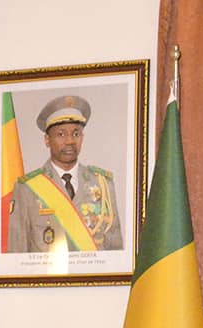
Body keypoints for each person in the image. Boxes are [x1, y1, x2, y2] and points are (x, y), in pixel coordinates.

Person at [7, 94, 123, 253]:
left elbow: (116, 253)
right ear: (47, 140)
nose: (70, 141)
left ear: (82, 138)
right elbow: (16, 254)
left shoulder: (103, 184)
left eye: (76, 133)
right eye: (61, 134)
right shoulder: (27, 189)